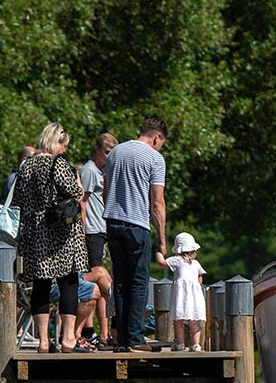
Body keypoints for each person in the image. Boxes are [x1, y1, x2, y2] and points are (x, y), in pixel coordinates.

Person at [15, 122, 89, 353]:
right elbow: (77, 194)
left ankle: (44, 342)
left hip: (34, 234)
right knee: (69, 282)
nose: (64, 150)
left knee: (40, 285)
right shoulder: (59, 164)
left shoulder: (25, 167)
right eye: (63, 145)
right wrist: (77, 178)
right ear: (55, 142)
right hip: (61, 233)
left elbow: (19, 199)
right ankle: (68, 339)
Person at [103, 117, 168, 352]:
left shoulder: (116, 152)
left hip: (112, 222)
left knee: (120, 281)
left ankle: (121, 340)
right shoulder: (155, 158)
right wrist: (162, 239)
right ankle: (135, 339)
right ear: (157, 137)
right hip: (137, 225)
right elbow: (157, 203)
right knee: (139, 282)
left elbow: (106, 191)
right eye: (161, 143)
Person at [79, 133, 117, 347]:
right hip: (91, 232)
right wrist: (82, 233)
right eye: (106, 152)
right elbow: (81, 203)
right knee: (96, 282)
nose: (108, 157)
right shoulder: (88, 171)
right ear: (97, 149)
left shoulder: (101, 172)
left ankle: (103, 333)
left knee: (102, 286)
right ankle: (91, 331)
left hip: (101, 230)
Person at [156, 232, 207, 351]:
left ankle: (180, 343)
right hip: (194, 297)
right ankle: (196, 345)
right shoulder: (195, 263)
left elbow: (161, 263)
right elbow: (200, 278)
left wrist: (158, 252)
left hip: (181, 296)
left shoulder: (177, 260)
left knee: (178, 320)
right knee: (194, 321)